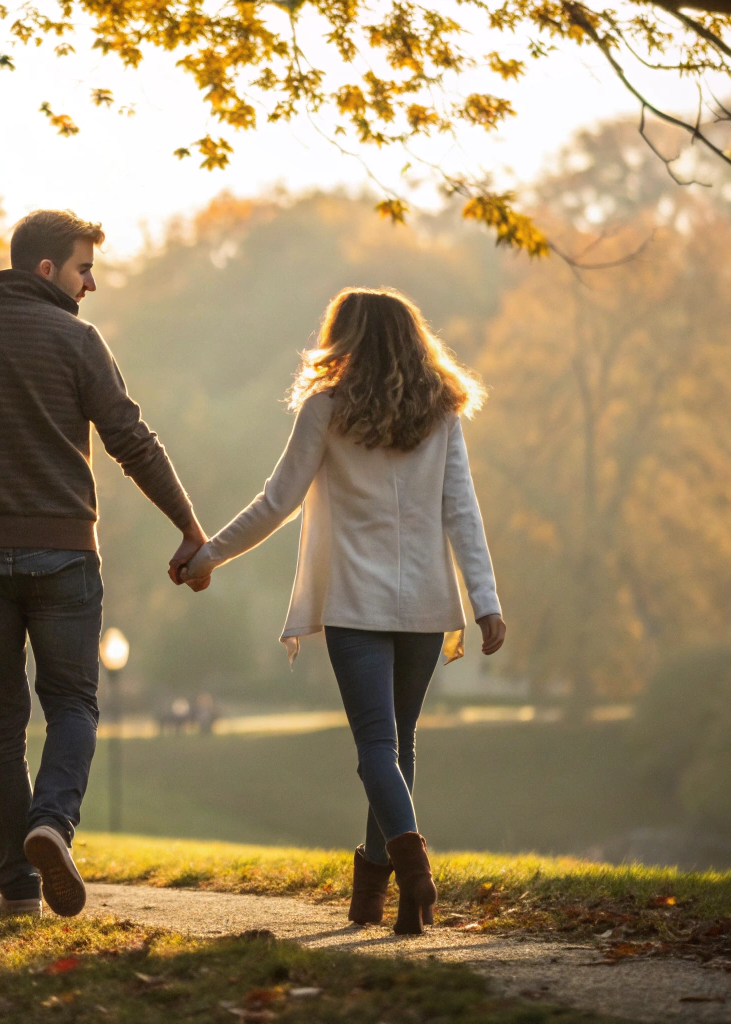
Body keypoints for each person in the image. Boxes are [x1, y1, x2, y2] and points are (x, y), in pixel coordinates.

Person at [0, 210, 208, 918]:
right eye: (83, 268)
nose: (91, 283)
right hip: (65, 555)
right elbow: (132, 440)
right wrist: (189, 526)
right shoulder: (77, 340)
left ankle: (17, 882)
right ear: (47, 271)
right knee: (72, 703)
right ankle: (52, 824)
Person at [175, 287, 505, 935]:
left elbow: (277, 502)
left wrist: (207, 555)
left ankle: (413, 875)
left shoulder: (325, 410)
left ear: (344, 339)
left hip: (357, 602)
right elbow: (460, 510)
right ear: (413, 341)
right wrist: (485, 600)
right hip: (426, 607)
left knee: (377, 748)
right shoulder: (442, 414)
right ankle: (379, 904)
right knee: (396, 746)